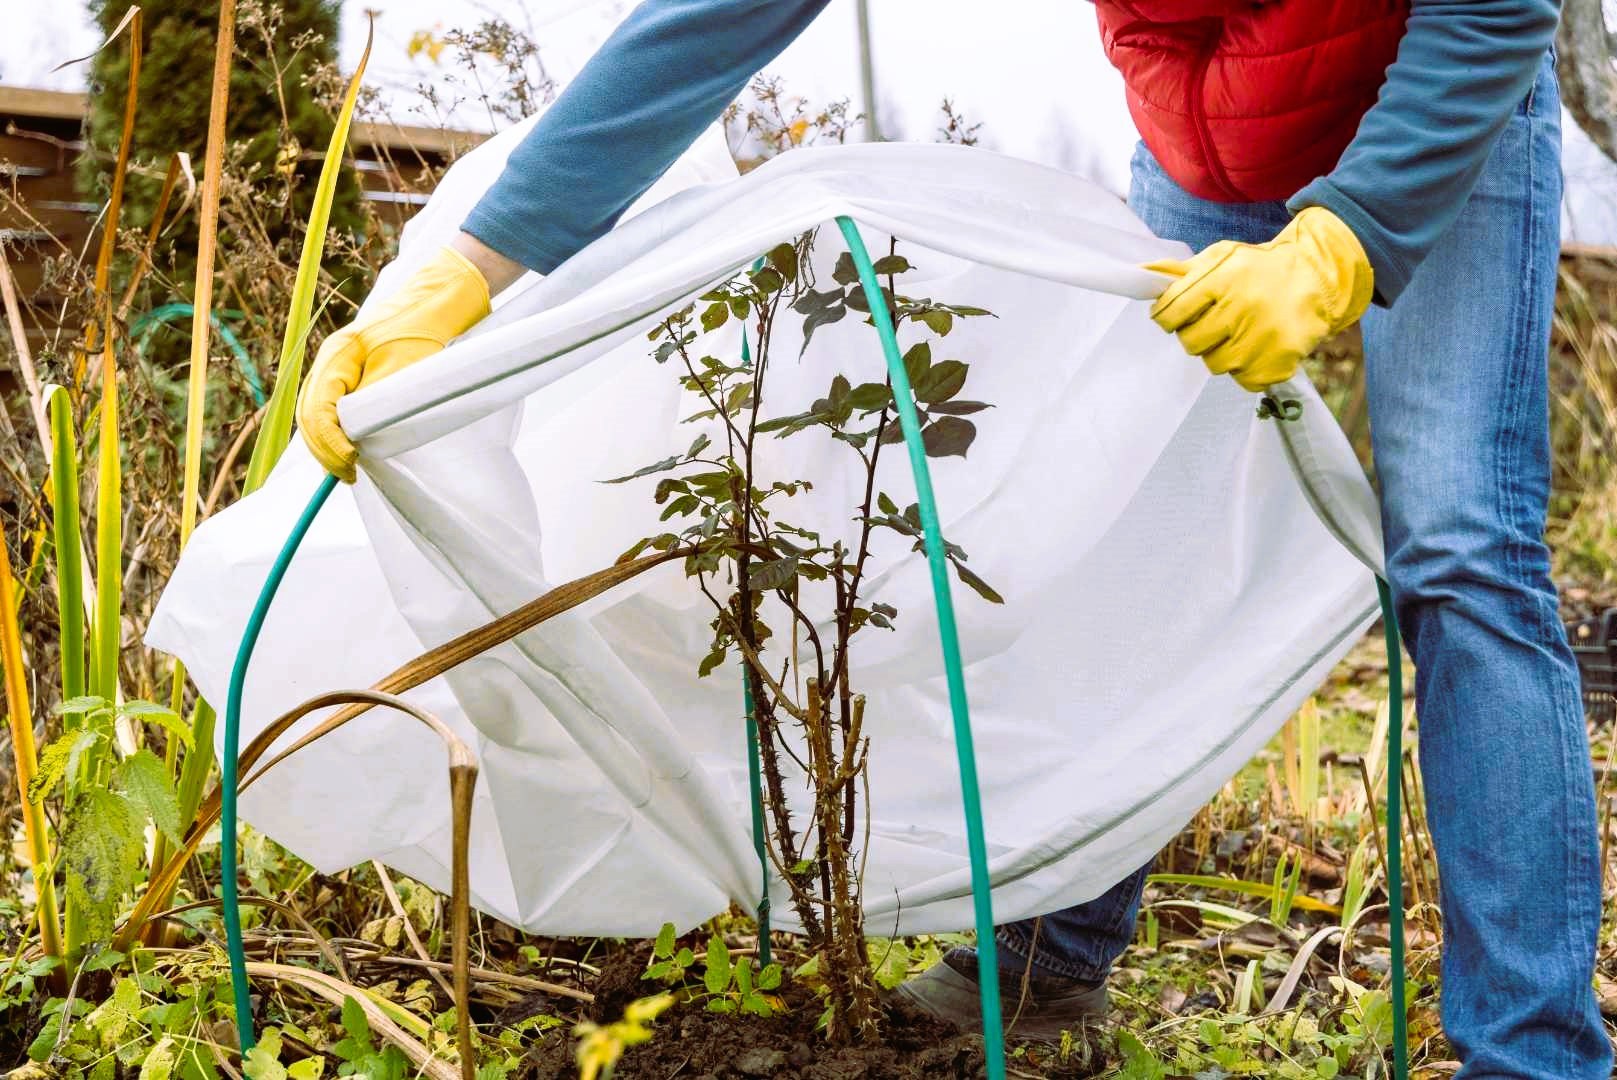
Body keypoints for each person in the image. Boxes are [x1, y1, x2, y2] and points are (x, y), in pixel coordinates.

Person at [296, 2, 1609, 1074]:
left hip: (1435, 113)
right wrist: (465, 270)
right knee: (1118, 527)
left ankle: (1531, 1053)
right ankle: (1044, 964)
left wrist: (1343, 244)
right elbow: (716, 18)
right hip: (1203, 144)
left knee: (1457, 555)